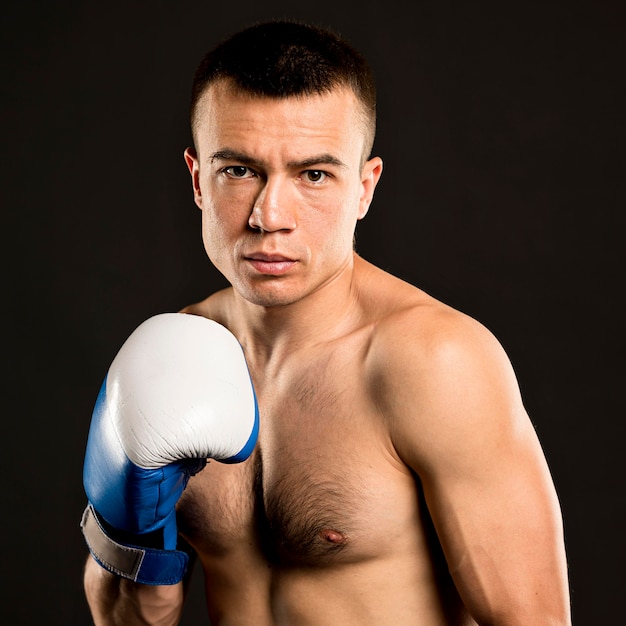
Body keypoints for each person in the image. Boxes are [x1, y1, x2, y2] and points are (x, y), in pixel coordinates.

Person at [81, 20, 571, 625]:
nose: (270, 216)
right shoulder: (172, 357)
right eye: (238, 170)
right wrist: (132, 532)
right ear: (197, 179)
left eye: (313, 175)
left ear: (364, 189)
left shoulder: (434, 362)